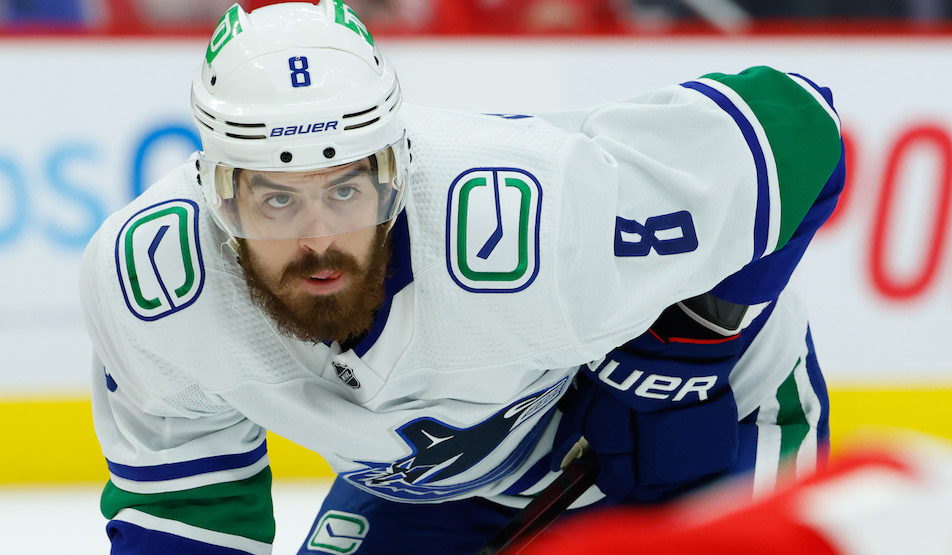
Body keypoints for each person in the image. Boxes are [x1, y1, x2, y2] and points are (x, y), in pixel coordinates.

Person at [79, 0, 844, 553]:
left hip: (704, 430)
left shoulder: (533, 216)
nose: (317, 240)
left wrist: (681, 350)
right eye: (275, 200)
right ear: (220, 191)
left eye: (345, 189)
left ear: (395, 169)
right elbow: (188, 510)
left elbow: (796, 126)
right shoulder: (154, 288)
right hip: (436, 481)